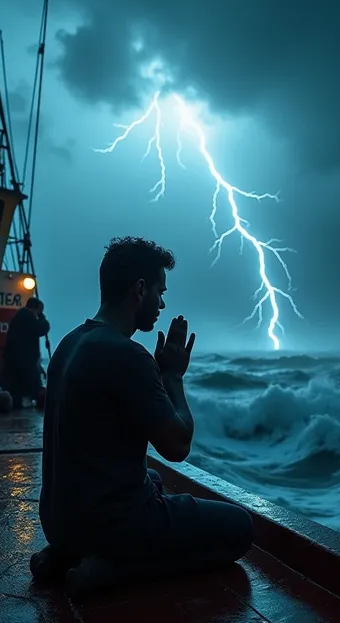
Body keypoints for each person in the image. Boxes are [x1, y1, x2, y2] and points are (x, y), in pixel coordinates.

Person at [30, 236, 253, 595]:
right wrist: (173, 377)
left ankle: (62, 555)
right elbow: (178, 446)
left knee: (151, 477)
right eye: (160, 292)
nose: (162, 303)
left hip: (58, 523)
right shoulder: (128, 356)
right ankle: (112, 570)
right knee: (241, 527)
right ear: (139, 289)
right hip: (112, 527)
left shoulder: (68, 344)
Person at [3, 297, 50, 408]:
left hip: (14, 358)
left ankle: (16, 404)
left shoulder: (19, 317)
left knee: (16, 386)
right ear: (37, 309)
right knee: (30, 383)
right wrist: (43, 318)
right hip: (24, 360)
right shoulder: (28, 317)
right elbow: (41, 329)